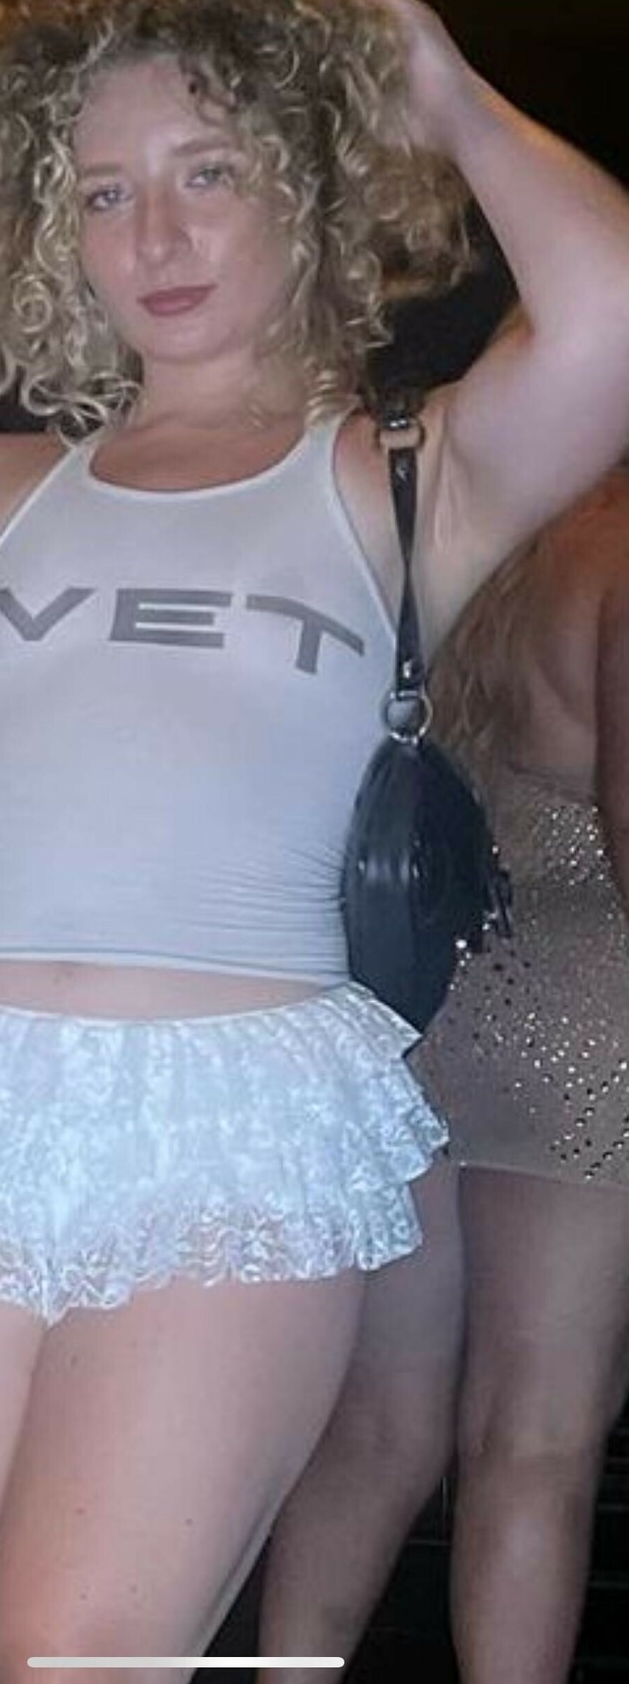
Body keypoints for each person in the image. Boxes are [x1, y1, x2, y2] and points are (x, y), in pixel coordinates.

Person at [0, 0, 629, 1684]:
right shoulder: (7, 494)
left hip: (232, 1117)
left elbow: (607, 314)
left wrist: (439, 83)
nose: (150, 234)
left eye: (205, 171)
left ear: (308, 185)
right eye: (99, 190)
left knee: (63, 1656)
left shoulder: (403, 479)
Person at [257, 470, 629, 1684]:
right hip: (589, 1026)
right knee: (534, 1439)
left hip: (426, 1008)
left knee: (374, 1423)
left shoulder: (490, 543)